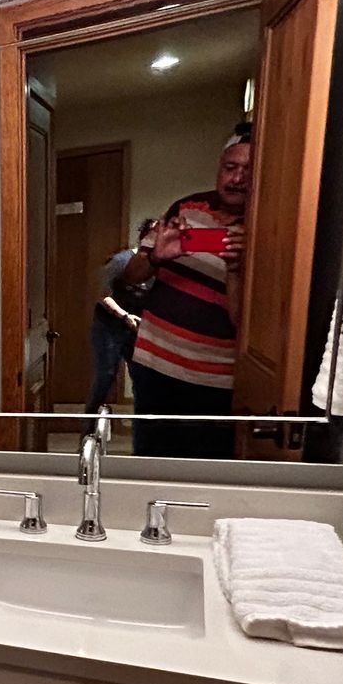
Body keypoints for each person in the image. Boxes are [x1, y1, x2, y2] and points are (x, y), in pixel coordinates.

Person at [120, 124, 252, 458]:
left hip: (215, 380)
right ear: (219, 168)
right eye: (231, 167)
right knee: (148, 459)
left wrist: (237, 268)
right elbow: (130, 276)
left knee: (202, 472)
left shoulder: (265, 227)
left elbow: (245, 325)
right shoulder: (186, 208)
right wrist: (156, 256)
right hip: (154, 365)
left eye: (248, 170)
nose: (237, 178)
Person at [85, 221, 157, 415]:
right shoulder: (121, 260)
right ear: (144, 237)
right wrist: (124, 316)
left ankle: (143, 434)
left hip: (138, 329)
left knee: (143, 380)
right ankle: (89, 432)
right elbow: (101, 294)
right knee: (106, 377)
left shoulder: (161, 267)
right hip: (109, 326)